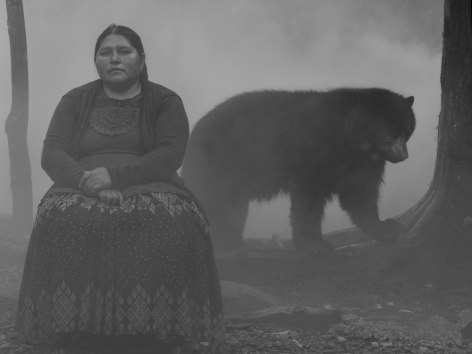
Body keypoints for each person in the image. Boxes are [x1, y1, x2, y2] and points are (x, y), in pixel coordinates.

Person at [16, 24, 225, 354]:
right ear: (96, 60)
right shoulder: (75, 100)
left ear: (141, 60)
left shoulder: (166, 101)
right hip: (79, 182)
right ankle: (71, 328)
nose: (114, 59)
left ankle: (159, 330)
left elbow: (169, 154)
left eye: (124, 52)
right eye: (106, 53)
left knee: (169, 218)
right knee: (62, 216)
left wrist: (115, 176)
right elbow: (52, 152)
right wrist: (91, 183)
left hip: (151, 180)